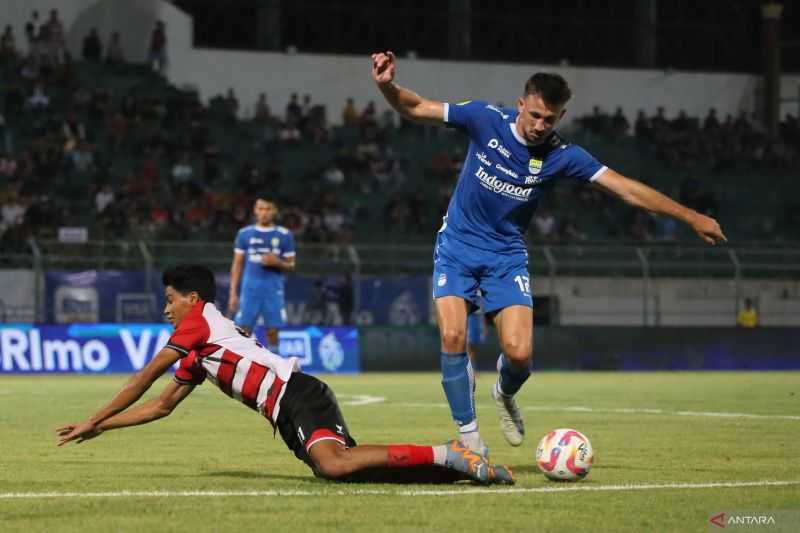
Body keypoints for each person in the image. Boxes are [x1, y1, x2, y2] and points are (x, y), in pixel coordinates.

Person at [371, 51, 726, 454]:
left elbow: (625, 188)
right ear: (521, 104)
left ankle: (504, 393)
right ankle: (469, 437)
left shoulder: (562, 155)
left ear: (560, 117)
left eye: (550, 119)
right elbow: (416, 107)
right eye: (535, 114)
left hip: (505, 257)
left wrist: (690, 216)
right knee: (453, 335)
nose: (540, 126)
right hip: (456, 247)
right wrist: (386, 85)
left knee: (520, 355)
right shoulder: (485, 118)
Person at [56, 265, 513, 485]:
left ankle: (450, 453)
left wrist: (93, 418)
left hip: (297, 394)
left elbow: (142, 381)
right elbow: (160, 406)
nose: (166, 309)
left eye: (171, 299)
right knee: (344, 471)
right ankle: (456, 468)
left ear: (192, 299)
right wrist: (100, 429)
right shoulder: (201, 348)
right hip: (287, 407)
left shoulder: (198, 322)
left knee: (335, 464)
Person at [228, 196, 295, 351]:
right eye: (260, 208)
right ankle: (243, 371)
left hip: (273, 290)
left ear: (275, 211)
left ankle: (275, 370)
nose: (264, 213)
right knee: (243, 331)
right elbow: (237, 265)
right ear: (255, 210)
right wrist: (233, 293)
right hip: (250, 289)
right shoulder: (244, 234)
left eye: (268, 209)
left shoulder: (284, 235)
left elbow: (291, 265)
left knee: (272, 331)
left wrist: (277, 262)